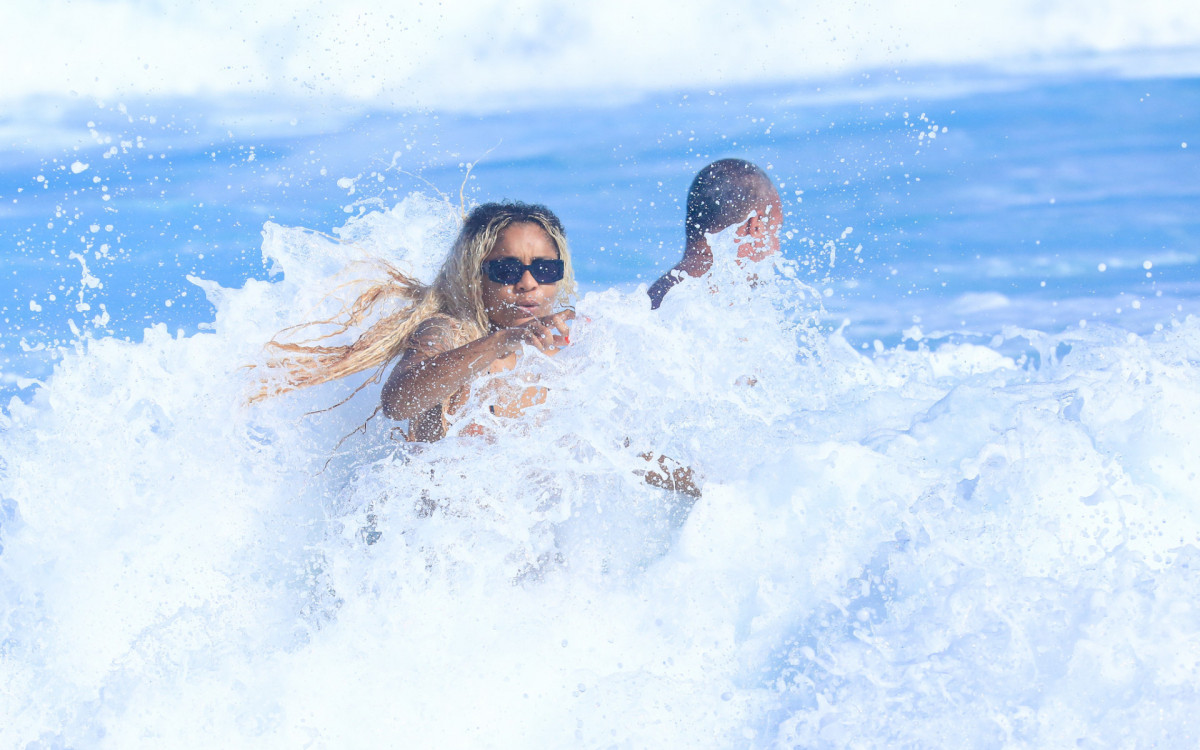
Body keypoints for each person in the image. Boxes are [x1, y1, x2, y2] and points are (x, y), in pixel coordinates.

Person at [259, 201, 576, 442]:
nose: (527, 283)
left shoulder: (571, 354)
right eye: (506, 270)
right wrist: (501, 341)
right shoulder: (448, 332)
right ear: (472, 276)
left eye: (545, 270)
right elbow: (398, 401)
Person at [647, 159, 782, 309]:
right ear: (756, 226)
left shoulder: (656, 293)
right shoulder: (728, 301)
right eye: (776, 232)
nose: (777, 248)